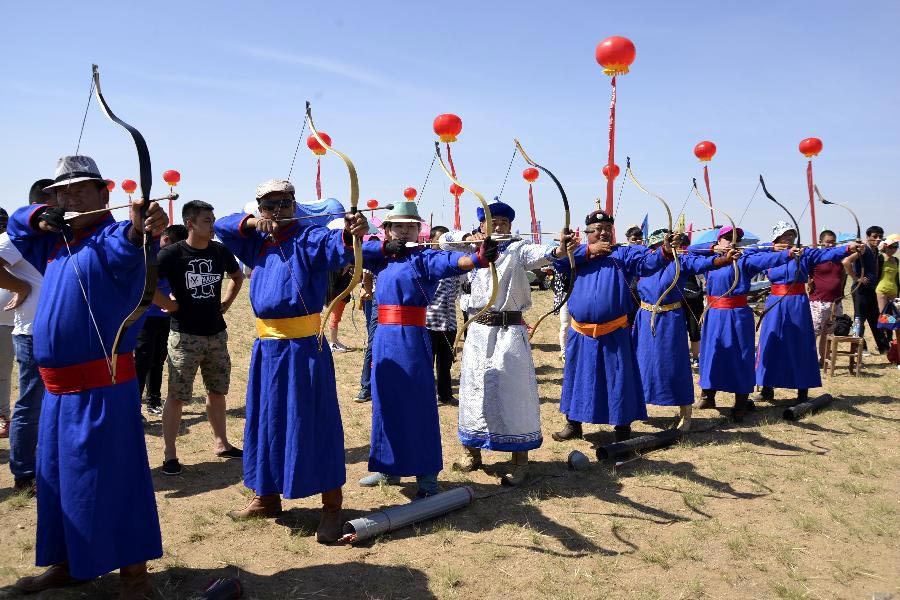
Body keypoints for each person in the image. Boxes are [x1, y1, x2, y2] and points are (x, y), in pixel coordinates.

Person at [8, 155, 166, 596]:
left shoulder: (112, 237)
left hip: (102, 388)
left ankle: (135, 577)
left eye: (81, 189)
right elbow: (18, 224)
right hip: (57, 391)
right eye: (62, 192)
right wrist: (41, 216)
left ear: (104, 193)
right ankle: (70, 563)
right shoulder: (53, 242)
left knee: (115, 477)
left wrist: (141, 227)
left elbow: (132, 243)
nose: (71, 197)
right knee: (59, 480)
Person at [215, 179, 366, 543]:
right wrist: (255, 223)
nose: (278, 210)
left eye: (284, 203)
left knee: (314, 421)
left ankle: (332, 507)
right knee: (266, 418)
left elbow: (335, 247)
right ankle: (266, 496)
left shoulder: (308, 236)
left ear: (295, 205)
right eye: (269, 205)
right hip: (266, 349)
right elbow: (222, 225)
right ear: (260, 208)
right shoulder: (256, 240)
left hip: (304, 348)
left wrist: (351, 234)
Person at [358, 201, 499, 496]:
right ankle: (388, 468)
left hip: (410, 337)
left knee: (418, 403)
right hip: (383, 337)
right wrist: (384, 247)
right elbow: (354, 251)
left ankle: (426, 475)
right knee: (385, 401)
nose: (405, 231)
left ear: (418, 230)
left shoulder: (424, 257)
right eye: (398, 226)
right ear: (387, 230)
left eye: (411, 226)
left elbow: (452, 262)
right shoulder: (381, 257)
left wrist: (478, 257)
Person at [446, 201, 576, 486]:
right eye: (491, 221)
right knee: (474, 391)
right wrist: (470, 239)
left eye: (504, 222)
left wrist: (560, 249)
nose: (498, 226)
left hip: (509, 333)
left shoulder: (517, 249)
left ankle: (520, 460)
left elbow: (542, 253)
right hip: (477, 332)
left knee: (514, 393)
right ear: (481, 225)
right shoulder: (470, 250)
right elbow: (443, 239)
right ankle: (471, 453)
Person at [552, 211, 672, 445]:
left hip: (614, 331)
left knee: (619, 380)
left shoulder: (623, 253)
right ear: (587, 232)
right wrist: (588, 251)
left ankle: (622, 429)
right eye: (598, 228)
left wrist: (664, 252)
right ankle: (573, 424)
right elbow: (560, 263)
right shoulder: (576, 254)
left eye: (608, 228)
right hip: (581, 332)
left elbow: (647, 263)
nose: (604, 232)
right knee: (577, 378)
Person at [159, 200, 244, 476]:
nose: (212, 225)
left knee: (217, 391)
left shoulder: (219, 251)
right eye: (207, 220)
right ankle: (170, 454)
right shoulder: (172, 253)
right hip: (185, 336)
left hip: (216, 333)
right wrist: (168, 304)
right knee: (177, 396)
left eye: (213, 220)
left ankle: (222, 443)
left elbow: (237, 276)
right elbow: (146, 283)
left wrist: (226, 303)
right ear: (191, 223)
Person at [688, 226, 796, 421]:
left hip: (737, 315)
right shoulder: (711, 259)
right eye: (727, 238)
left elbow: (766, 259)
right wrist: (713, 249)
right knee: (712, 354)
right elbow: (690, 250)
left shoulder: (744, 259)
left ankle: (741, 402)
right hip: (714, 314)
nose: (731, 241)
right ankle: (708, 396)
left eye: (735, 239)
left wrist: (782, 252)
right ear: (718, 241)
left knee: (740, 356)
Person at [632, 228, 736, 430]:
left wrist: (719, 254)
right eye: (658, 246)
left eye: (666, 246)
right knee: (641, 364)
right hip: (644, 318)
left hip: (670, 320)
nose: (662, 250)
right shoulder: (644, 261)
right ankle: (637, 407)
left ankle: (685, 413)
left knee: (674, 364)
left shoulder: (682, 261)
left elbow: (702, 260)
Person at [755, 222, 861, 403]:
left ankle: (802, 391)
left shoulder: (804, 253)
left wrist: (847, 248)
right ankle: (766, 388)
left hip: (797, 303)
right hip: (775, 303)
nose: (790, 238)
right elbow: (749, 254)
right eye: (785, 235)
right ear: (777, 238)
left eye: (792, 235)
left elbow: (827, 253)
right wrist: (772, 248)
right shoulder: (768, 253)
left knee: (800, 344)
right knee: (771, 343)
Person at [0, 180, 52, 493]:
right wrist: (20, 287)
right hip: (31, 333)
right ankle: (23, 472)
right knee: (30, 403)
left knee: (51, 402)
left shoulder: (53, 237)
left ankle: (45, 463)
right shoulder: (16, 236)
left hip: (58, 331)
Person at [134, 224, 187, 416]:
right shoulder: (147, 250)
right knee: (142, 361)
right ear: (166, 240)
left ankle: (154, 401)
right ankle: (134, 407)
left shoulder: (174, 254)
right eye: (176, 246)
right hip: (144, 316)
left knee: (158, 359)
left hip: (165, 315)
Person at [425, 225, 461, 406]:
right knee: (427, 362)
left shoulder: (453, 263)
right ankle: (426, 395)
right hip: (429, 322)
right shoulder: (426, 262)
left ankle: (445, 394)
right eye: (440, 240)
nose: (443, 243)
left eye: (447, 239)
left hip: (449, 322)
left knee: (446, 362)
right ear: (431, 241)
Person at [843, 226, 889, 354]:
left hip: (871, 289)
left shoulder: (876, 251)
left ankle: (884, 348)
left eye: (880, 237)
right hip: (860, 289)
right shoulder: (863, 249)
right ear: (868, 237)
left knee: (875, 318)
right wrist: (856, 278)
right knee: (859, 318)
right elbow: (846, 262)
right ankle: (859, 347)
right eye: (875, 236)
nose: (878, 239)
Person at [808, 230, 846, 365]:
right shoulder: (815, 258)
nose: (831, 245)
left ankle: (823, 359)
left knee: (828, 332)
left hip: (835, 301)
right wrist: (809, 284)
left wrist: (841, 293)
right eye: (828, 242)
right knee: (814, 331)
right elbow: (807, 276)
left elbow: (842, 275)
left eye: (833, 242)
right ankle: (808, 358)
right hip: (819, 301)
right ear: (821, 242)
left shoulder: (838, 259)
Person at [355, 265, 378, 403]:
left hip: (403, 305)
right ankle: (367, 386)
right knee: (373, 343)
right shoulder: (378, 254)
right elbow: (366, 278)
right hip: (379, 303)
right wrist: (374, 297)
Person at [0, 209, 13, 438]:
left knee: (3, 372)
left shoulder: (12, 242)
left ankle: (2, 416)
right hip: (6, 321)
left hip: (13, 321)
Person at [875, 234, 899, 346]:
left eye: (896, 247)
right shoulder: (880, 258)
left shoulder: (896, 260)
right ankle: (883, 340)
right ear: (886, 246)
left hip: (893, 290)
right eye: (891, 246)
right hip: (882, 289)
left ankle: (889, 338)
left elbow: (896, 277)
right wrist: (880, 250)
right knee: (884, 316)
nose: (894, 249)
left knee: (893, 315)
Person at [325, 265, 353, 352]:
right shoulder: (337, 267)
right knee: (334, 319)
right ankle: (333, 343)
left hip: (341, 295)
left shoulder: (341, 267)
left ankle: (335, 341)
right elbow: (334, 282)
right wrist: (347, 267)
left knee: (336, 319)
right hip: (337, 296)